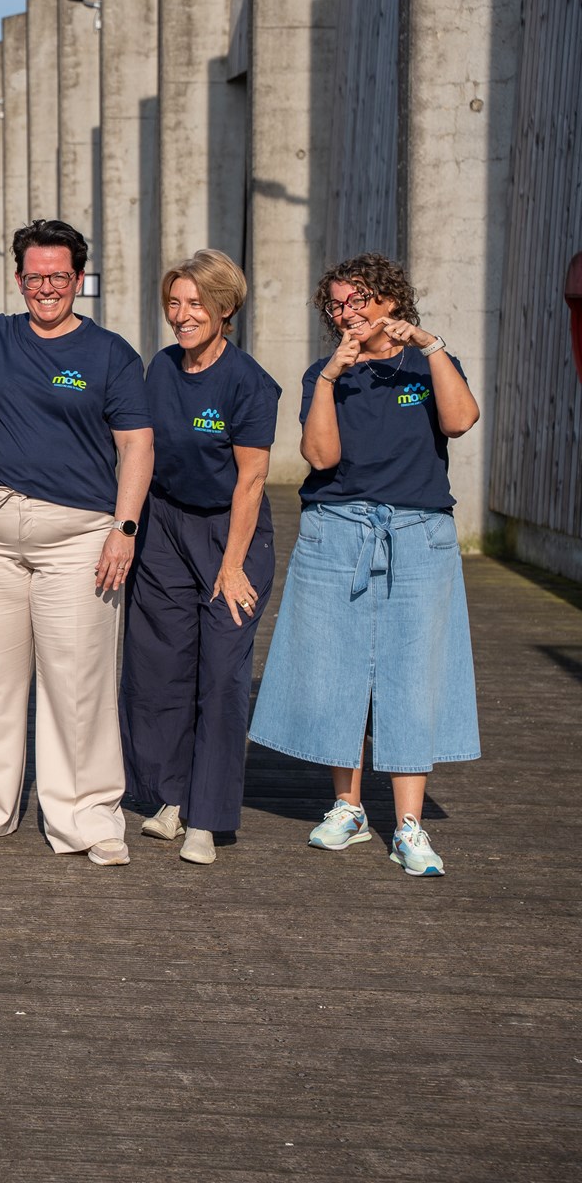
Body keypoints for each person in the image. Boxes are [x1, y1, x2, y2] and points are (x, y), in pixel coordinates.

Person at [0, 217, 153, 865]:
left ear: (79, 279)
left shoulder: (110, 354)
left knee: (79, 682)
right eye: (35, 277)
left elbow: (136, 445)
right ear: (19, 279)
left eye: (59, 277)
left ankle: (86, 818)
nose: (47, 288)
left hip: (80, 538)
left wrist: (124, 529)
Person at [248, 252, 481, 876]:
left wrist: (430, 345)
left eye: (358, 301)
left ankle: (408, 825)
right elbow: (321, 457)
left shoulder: (429, 362)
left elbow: (461, 420)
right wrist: (330, 376)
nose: (345, 313)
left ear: (390, 301)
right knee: (336, 668)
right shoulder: (324, 374)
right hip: (338, 528)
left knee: (413, 675)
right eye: (336, 304)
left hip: (419, 531)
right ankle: (347, 808)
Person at [119, 250, 280, 865]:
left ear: (225, 308)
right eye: (175, 303)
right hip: (164, 528)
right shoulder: (160, 369)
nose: (182, 315)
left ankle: (206, 819)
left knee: (221, 676)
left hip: (230, 534)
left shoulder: (248, 383)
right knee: (159, 666)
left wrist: (232, 566)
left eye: (196, 304)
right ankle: (170, 796)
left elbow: (251, 481)